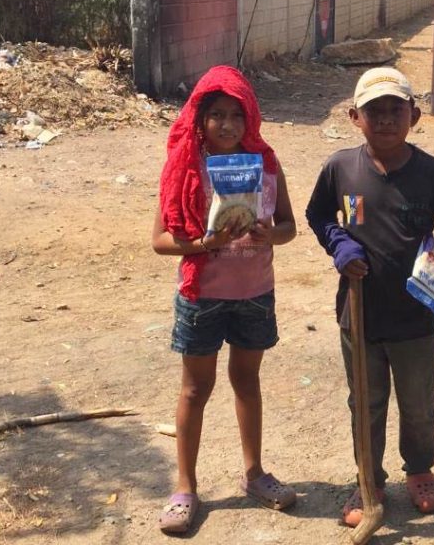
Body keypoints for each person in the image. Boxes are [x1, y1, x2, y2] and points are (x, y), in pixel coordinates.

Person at [306, 67, 434, 527]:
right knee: (365, 402)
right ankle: (370, 480)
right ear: (354, 116)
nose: (385, 119)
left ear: (414, 116)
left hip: (418, 317)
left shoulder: (433, 174)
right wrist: (339, 244)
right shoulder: (340, 168)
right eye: (373, 111)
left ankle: (419, 469)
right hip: (359, 315)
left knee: (418, 403)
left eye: (394, 110)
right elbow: (318, 214)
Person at [153, 65, 298, 534]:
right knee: (195, 389)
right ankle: (185, 487)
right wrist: (203, 245)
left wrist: (268, 233)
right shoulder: (183, 167)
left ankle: (254, 474)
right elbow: (159, 240)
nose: (228, 125)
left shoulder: (266, 164)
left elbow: (290, 228)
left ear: (250, 117)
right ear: (200, 118)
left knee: (247, 383)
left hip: (254, 292)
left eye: (237, 115)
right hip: (203, 295)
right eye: (217, 115)